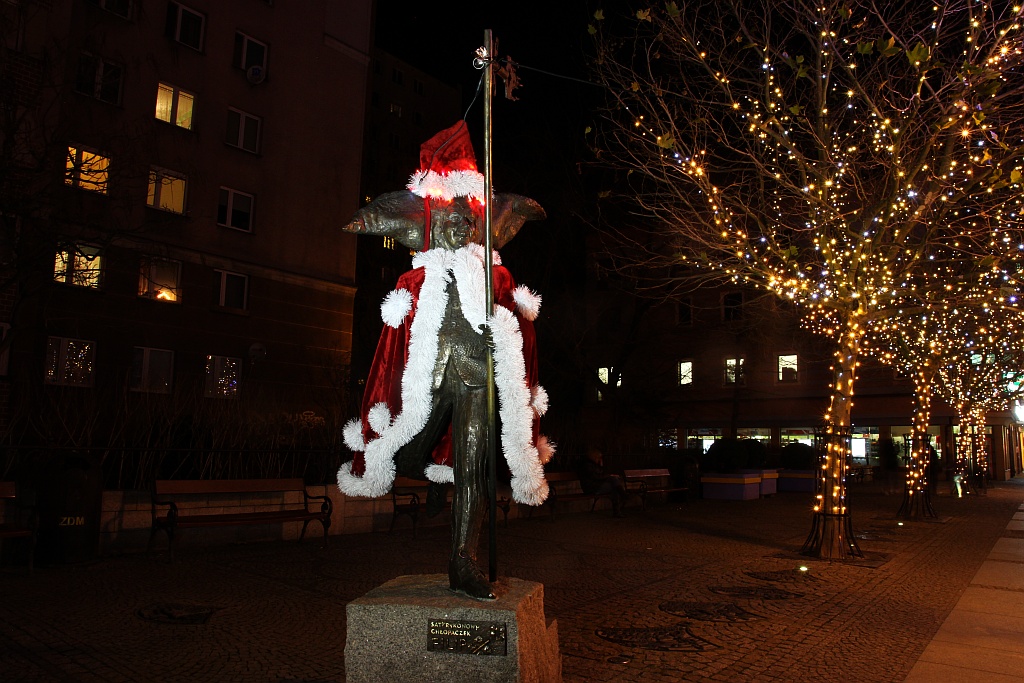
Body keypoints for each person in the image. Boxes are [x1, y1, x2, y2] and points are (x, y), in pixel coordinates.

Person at [336, 122, 553, 600]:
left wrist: (503, 341)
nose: (459, 227)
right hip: (429, 381)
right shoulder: (417, 278)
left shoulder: (494, 275)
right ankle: (435, 472)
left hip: (477, 378)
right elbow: (392, 342)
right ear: (435, 225)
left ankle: (462, 562)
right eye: (450, 220)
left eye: (466, 221)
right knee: (407, 448)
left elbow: (519, 327)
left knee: (475, 470)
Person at [578, 447, 627, 517]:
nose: (600, 459)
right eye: (599, 458)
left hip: (596, 485)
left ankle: (622, 500)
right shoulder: (587, 465)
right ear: (594, 457)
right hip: (590, 487)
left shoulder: (594, 464)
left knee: (614, 482)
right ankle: (623, 497)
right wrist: (609, 475)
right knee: (614, 485)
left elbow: (600, 475)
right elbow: (596, 477)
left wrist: (601, 466)